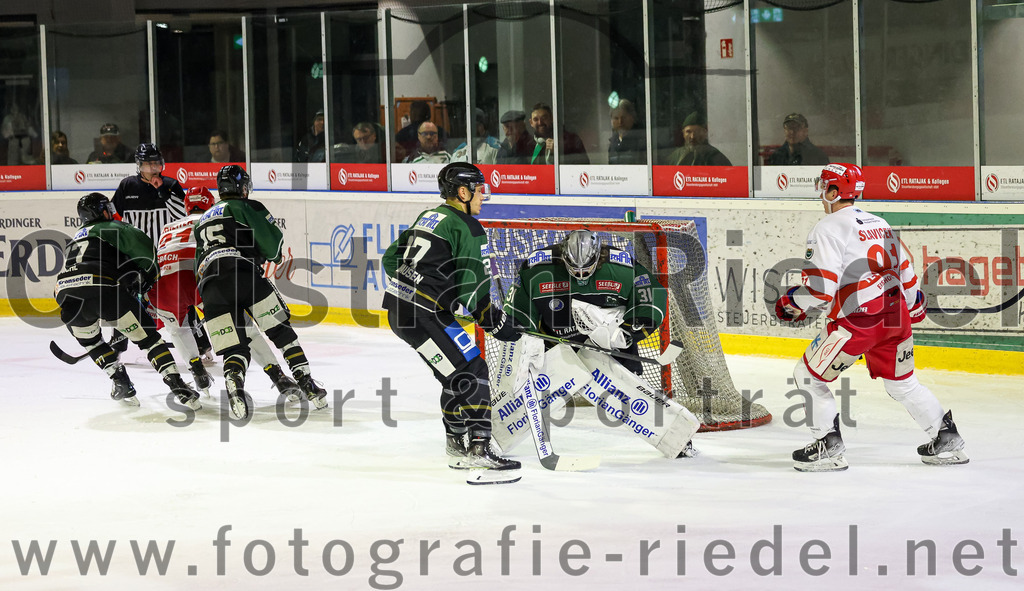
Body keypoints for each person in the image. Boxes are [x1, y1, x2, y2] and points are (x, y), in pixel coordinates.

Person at [774, 163, 967, 472]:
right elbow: (906, 273)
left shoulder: (827, 227)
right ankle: (946, 437)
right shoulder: (880, 222)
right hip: (895, 319)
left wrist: (792, 300)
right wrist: (913, 307)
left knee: (808, 376)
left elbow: (822, 290)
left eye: (824, 185)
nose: (820, 191)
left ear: (834, 191)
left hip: (858, 322)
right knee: (903, 384)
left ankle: (828, 446)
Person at [501, 230, 699, 458]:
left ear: (599, 257)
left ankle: (678, 439)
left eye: (587, 268)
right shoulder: (537, 268)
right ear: (563, 258)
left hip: (608, 344)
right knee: (525, 386)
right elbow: (517, 311)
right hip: (556, 344)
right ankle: (493, 435)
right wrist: (528, 338)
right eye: (574, 268)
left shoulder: (622, 267)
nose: (581, 274)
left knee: (631, 389)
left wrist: (627, 334)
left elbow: (651, 297)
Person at [381, 162, 519, 471]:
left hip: (399, 310)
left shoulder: (429, 216)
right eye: (480, 189)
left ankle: (456, 442)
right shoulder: (468, 227)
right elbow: (474, 287)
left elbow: (391, 259)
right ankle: (480, 447)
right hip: (425, 314)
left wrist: (420, 283)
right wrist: (495, 322)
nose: (484, 195)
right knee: (473, 367)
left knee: (454, 375)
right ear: (462, 191)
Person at [194, 165, 328, 420]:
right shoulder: (247, 207)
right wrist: (272, 256)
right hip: (243, 274)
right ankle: (307, 384)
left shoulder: (202, 220)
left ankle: (234, 383)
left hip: (210, 285)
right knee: (280, 331)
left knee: (235, 346)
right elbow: (272, 242)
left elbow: (197, 263)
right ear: (242, 187)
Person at [150, 186, 303, 400]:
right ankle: (278, 376)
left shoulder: (167, 227)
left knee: (177, 329)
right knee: (245, 330)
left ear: (185, 206)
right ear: (210, 204)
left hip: (164, 282)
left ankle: (197, 372)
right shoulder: (209, 219)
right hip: (202, 277)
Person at [54, 192, 201, 410]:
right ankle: (176, 383)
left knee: (92, 341)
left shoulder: (74, 239)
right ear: (103, 211)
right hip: (104, 289)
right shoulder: (114, 228)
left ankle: (119, 380)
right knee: (149, 339)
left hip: (65, 296)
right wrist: (146, 281)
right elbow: (148, 255)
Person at [112, 143, 187, 244]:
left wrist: (163, 191)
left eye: (156, 163)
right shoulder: (127, 186)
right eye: (148, 164)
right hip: (135, 251)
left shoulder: (171, 185)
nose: (153, 168)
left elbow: (184, 216)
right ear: (139, 165)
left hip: (165, 251)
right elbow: (113, 217)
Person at [664, 111, 732, 166]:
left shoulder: (715, 157)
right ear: (683, 133)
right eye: (688, 132)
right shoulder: (674, 158)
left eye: (697, 132)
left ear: (705, 133)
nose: (692, 137)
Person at [607, 99, 646, 165]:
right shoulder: (613, 142)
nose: (620, 122)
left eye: (624, 117)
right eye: (616, 118)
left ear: (632, 117)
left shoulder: (642, 141)